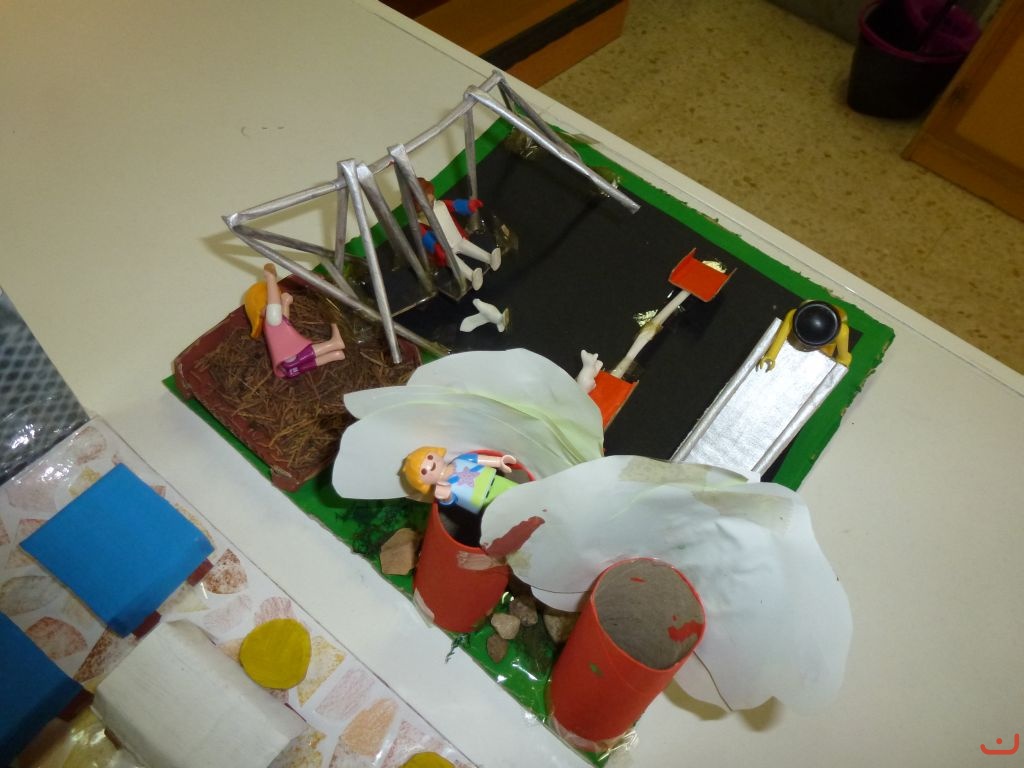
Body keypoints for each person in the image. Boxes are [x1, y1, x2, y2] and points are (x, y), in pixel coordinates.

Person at [243, 264, 347, 379]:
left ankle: (335, 355)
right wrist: (270, 278)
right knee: (307, 353)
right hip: (290, 358)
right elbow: (274, 303)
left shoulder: (272, 325)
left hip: (288, 366)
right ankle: (334, 344)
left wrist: (285, 303)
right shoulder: (271, 320)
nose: (274, 305)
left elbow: (285, 321)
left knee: (308, 363)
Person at [416, 178, 501, 290]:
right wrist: (438, 251)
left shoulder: (441, 204)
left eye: (430, 198)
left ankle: (490, 258)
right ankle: (472, 276)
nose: (431, 201)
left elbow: (455, 205)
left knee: (469, 247)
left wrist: (469, 205)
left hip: (457, 238)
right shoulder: (420, 223)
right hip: (445, 250)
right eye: (426, 202)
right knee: (455, 262)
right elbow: (428, 240)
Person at [401, 446, 517, 515]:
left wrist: (499, 462)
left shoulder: (460, 460)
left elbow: (478, 459)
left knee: (517, 491)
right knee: (508, 513)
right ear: (422, 483)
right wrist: (446, 497)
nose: (431, 465)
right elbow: (451, 502)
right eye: (423, 471)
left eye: (430, 457)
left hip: (495, 480)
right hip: (484, 502)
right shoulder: (442, 487)